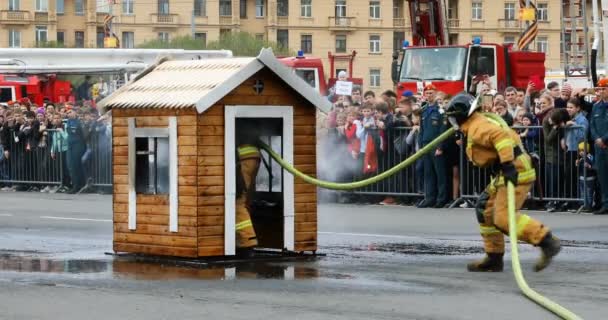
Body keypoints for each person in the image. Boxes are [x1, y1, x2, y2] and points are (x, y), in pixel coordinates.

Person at [445, 93, 561, 272]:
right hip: (505, 172)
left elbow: (501, 138)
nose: (452, 122)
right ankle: (494, 257)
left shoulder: (478, 127)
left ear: (461, 115)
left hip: (516, 171)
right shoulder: (476, 122)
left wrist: (507, 165)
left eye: (453, 118)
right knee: (485, 209)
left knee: (502, 218)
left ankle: (546, 240)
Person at [417, 84, 448, 208]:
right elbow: (421, 129)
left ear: (435, 94)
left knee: (440, 173)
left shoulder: (440, 110)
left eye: (431, 93)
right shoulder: (424, 110)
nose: (429, 95)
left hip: (436, 144)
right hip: (426, 145)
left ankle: (441, 198)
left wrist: (440, 147)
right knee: (428, 173)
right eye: (427, 93)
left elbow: (443, 129)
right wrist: (420, 146)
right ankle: (429, 198)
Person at [235, 132, 261, 254]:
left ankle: (247, 241)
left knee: (238, 202)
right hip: (253, 154)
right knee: (245, 199)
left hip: (244, 156)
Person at [590, 78, 608, 215]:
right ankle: (605, 203)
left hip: (606, 143)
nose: (601, 91)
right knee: (602, 176)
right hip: (599, 148)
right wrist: (597, 138)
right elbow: (592, 125)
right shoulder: (596, 106)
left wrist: (604, 138)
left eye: (604, 88)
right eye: (599, 89)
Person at [576, 142, 596, 212]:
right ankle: (583, 205)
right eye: (580, 150)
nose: (581, 152)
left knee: (589, 192)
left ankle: (589, 206)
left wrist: (589, 166)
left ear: (586, 150)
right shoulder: (581, 159)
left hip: (589, 178)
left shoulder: (590, 156)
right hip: (582, 178)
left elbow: (593, 165)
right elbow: (579, 169)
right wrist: (577, 164)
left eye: (582, 150)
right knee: (582, 192)